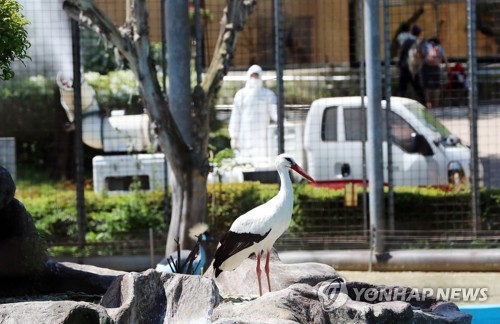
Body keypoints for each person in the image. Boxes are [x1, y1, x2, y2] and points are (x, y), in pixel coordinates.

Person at [228, 65, 277, 165]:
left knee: (262, 162)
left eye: (257, 76)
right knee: (244, 162)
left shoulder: (268, 94)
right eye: (252, 75)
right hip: (244, 134)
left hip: (262, 134)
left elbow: (274, 112)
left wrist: (284, 122)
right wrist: (233, 135)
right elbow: (235, 116)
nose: (254, 78)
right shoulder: (240, 94)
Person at [398, 25, 425, 105]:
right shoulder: (416, 42)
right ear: (419, 33)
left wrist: (400, 62)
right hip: (412, 68)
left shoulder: (406, 41)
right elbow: (420, 53)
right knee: (418, 87)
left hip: (404, 67)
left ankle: (399, 104)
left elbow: (401, 52)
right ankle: (424, 103)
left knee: (402, 88)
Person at [421, 37, 449, 108]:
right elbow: (444, 57)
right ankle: (436, 104)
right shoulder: (439, 47)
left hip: (426, 67)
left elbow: (422, 55)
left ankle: (428, 103)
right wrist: (447, 67)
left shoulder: (426, 46)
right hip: (436, 67)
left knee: (427, 86)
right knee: (437, 86)